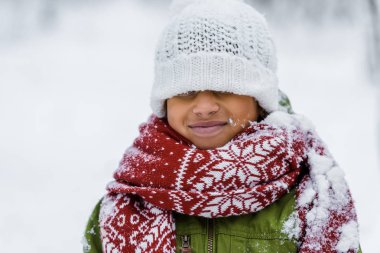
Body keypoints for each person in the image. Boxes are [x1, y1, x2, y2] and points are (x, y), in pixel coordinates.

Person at [83, 0, 361, 252]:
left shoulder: (309, 194)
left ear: (259, 99)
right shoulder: (128, 203)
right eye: (185, 91)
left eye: (224, 87)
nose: (204, 106)